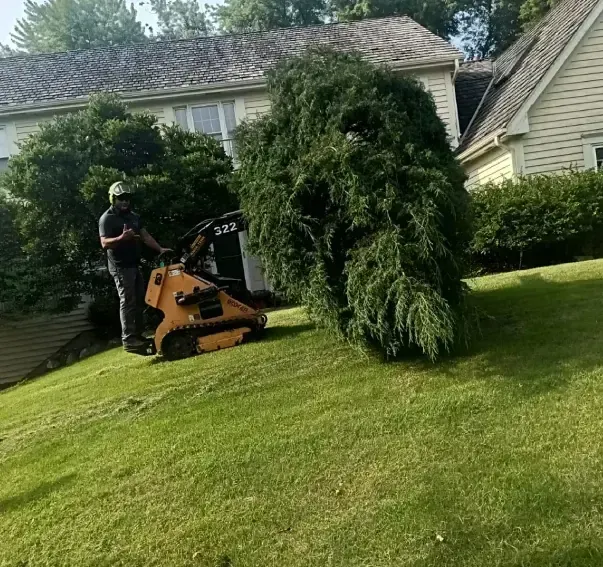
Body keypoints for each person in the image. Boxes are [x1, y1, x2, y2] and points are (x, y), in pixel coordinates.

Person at [99, 181, 170, 350]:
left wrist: (160, 249)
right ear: (113, 199)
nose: (125, 202)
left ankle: (138, 335)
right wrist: (121, 238)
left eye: (127, 198)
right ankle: (129, 339)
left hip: (134, 264)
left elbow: (145, 236)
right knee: (128, 300)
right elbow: (104, 243)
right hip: (120, 266)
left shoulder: (134, 217)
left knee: (139, 300)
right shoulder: (107, 219)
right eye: (121, 198)